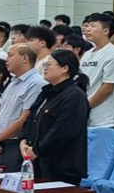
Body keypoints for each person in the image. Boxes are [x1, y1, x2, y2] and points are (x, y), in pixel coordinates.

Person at [21, 50, 89, 185]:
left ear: (65, 68)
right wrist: (23, 140)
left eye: (49, 65)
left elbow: (63, 131)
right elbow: (31, 119)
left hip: (61, 167)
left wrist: (37, 150)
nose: (45, 68)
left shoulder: (75, 96)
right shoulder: (47, 92)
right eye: (44, 65)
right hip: (37, 162)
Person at [80, 13, 114, 128]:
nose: (87, 29)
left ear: (105, 31)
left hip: (104, 118)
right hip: (85, 115)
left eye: (93, 26)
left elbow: (108, 87)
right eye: (87, 26)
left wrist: (86, 106)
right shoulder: (87, 53)